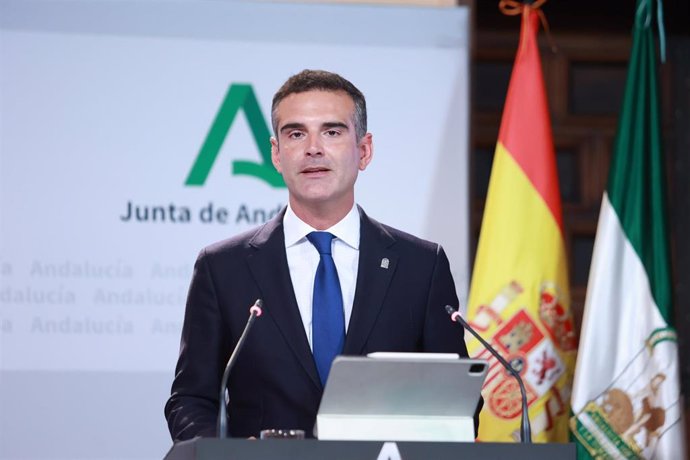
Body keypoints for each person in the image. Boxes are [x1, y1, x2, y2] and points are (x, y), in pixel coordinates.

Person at [164, 69, 480, 440]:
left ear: (364, 151)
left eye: (332, 132)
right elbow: (190, 399)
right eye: (296, 134)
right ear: (277, 154)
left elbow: (459, 403)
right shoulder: (222, 268)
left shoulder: (421, 266)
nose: (313, 147)